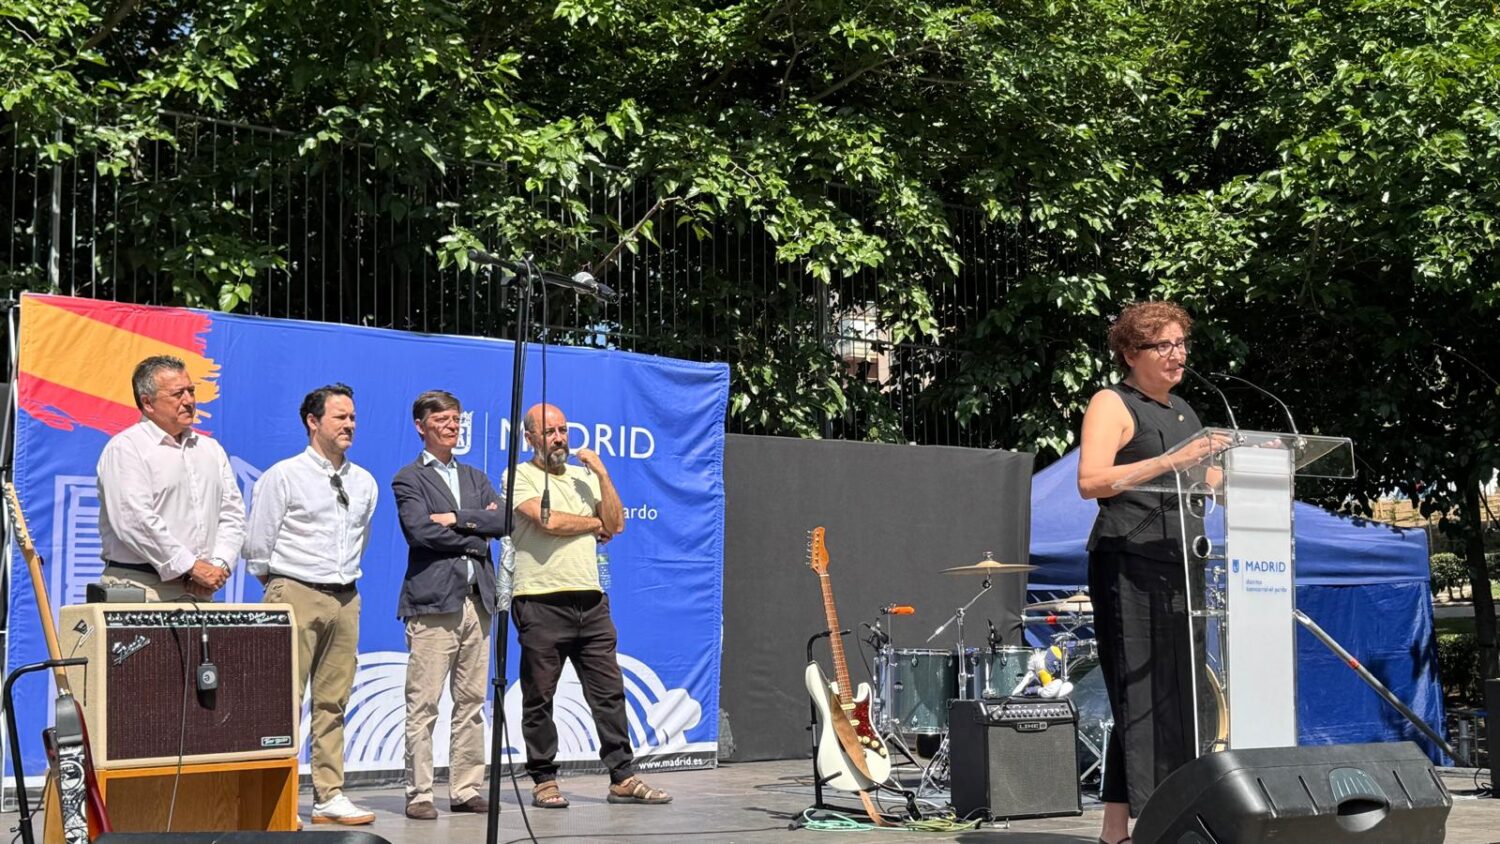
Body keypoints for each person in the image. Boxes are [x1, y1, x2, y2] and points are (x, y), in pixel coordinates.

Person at [1077, 301, 1222, 844]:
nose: (1178, 354)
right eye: (1164, 345)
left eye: (1182, 343)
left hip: (1182, 563)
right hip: (1129, 563)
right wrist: (1170, 463)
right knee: (1136, 693)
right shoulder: (1112, 403)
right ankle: (1130, 825)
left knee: (1180, 693)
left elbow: (1203, 479)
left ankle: (1140, 827)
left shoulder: (1185, 411)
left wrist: (1244, 471)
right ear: (1131, 353)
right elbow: (1091, 481)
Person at [510, 402, 670, 809]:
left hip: (591, 600)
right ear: (530, 438)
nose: (560, 438)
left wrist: (601, 473)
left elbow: (616, 524)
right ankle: (544, 779)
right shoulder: (520, 475)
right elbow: (547, 521)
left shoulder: (585, 477)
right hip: (540, 600)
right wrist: (593, 523)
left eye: (563, 429)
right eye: (549, 432)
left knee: (609, 692)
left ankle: (622, 776)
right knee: (539, 696)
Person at [243, 384, 378, 826]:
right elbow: (258, 541)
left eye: (353, 417)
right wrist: (280, 582)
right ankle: (277, 800)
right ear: (313, 422)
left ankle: (329, 795)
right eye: (340, 417)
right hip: (295, 590)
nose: (350, 425)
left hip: (346, 596)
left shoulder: (364, 481)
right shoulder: (285, 475)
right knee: (282, 699)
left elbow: (362, 540)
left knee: (333, 701)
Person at [391, 390, 506, 820]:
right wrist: (478, 533)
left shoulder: (476, 476)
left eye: (456, 418)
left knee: (472, 701)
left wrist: (458, 518)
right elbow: (421, 533)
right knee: (423, 704)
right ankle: (419, 793)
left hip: (478, 602)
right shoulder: (409, 478)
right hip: (434, 602)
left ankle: (465, 788)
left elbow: (504, 519)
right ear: (421, 426)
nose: (452, 425)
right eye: (442, 419)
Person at [97, 355, 244, 601]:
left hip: (199, 588)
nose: (189, 401)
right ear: (148, 402)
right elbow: (134, 519)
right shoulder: (127, 448)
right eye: (177, 395)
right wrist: (191, 567)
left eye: (191, 391)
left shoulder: (210, 449)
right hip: (141, 586)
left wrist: (218, 565)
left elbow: (233, 514)